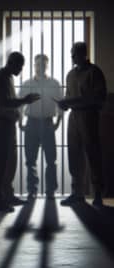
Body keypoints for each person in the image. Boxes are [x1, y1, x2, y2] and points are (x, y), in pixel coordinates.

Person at [0, 52, 40, 212]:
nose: (21, 69)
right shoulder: (0, 78)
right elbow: (3, 102)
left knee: (9, 162)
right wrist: (25, 100)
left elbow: (7, 102)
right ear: (11, 63)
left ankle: (6, 195)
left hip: (8, 124)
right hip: (1, 124)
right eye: (19, 66)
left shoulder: (7, 77)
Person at [56, 42, 107, 206]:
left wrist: (73, 101)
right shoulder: (70, 74)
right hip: (74, 117)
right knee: (74, 154)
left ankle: (97, 193)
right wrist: (64, 104)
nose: (72, 56)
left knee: (92, 154)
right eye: (71, 53)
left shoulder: (94, 72)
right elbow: (68, 96)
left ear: (84, 54)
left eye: (75, 53)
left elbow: (99, 97)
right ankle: (77, 193)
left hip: (89, 115)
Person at [19, 54, 63, 201]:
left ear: (47, 66)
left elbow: (60, 104)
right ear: (34, 65)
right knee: (30, 160)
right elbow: (20, 105)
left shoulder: (54, 84)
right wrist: (20, 122)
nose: (40, 67)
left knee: (51, 159)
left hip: (48, 122)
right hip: (32, 122)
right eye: (38, 64)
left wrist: (58, 122)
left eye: (43, 64)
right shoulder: (27, 84)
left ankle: (50, 191)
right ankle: (33, 191)